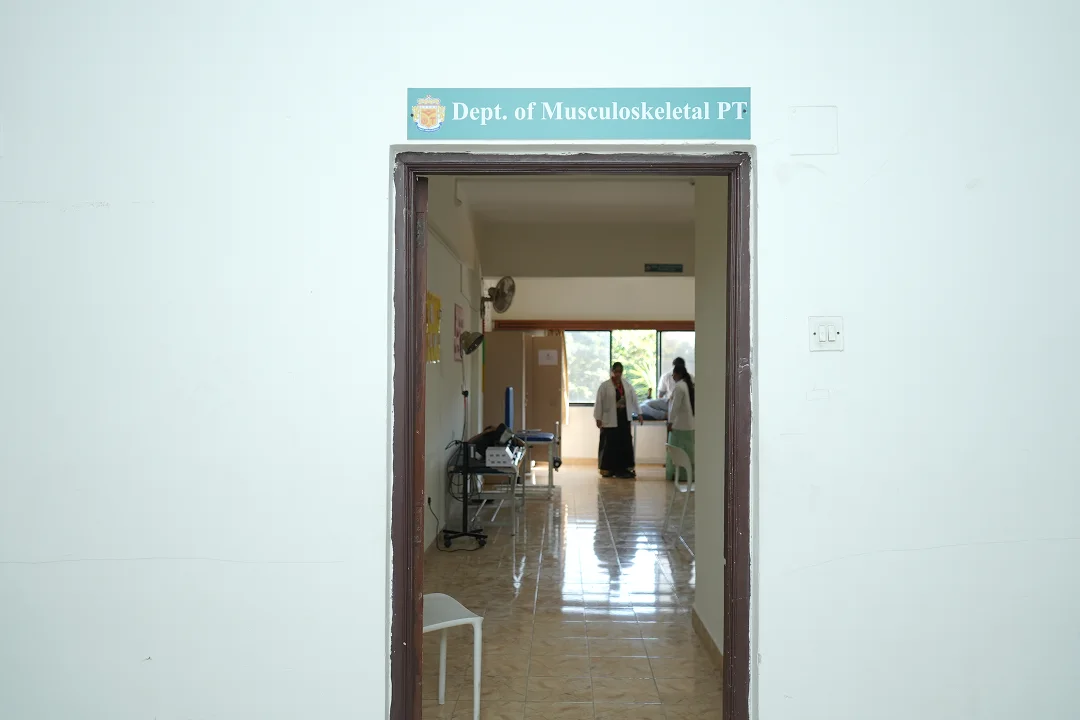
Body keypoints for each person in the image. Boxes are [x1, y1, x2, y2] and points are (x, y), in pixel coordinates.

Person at [594, 362, 643, 478]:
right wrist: (598, 418)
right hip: (609, 419)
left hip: (623, 418)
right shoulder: (604, 386)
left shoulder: (627, 386)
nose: (618, 374)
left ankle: (624, 468)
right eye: (616, 371)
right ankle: (607, 469)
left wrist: (639, 413)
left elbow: (634, 399)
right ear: (612, 372)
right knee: (609, 444)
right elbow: (599, 402)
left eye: (620, 371)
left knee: (624, 443)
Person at [665, 363, 695, 483]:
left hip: (679, 426)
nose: (672, 376)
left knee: (677, 452)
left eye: (673, 374)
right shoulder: (687, 385)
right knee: (687, 452)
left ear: (678, 374)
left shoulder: (679, 387)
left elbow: (675, 407)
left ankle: (676, 474)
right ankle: (686, 475)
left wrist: (670, 422)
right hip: (688, 425)